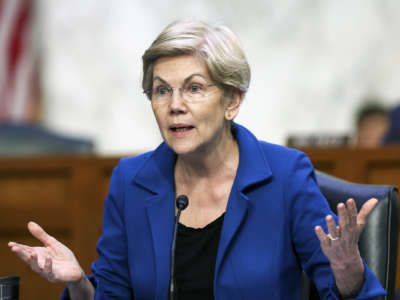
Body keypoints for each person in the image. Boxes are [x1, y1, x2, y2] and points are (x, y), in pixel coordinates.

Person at [8, 20, 385, 300]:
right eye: (161, 90)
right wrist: (77, 283)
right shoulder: (132, 181)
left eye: (194, 88)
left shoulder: (286, 176)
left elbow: (352, 294)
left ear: (232, 101)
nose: (175, 106)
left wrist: (348, 267)